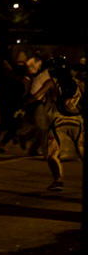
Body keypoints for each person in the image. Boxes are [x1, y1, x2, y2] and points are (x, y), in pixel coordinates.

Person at [44, 57, 84, 191]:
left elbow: (37, 96)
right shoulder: (79, 84)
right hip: (77, 121)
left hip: (59, 121)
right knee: (82, 151)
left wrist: (22, 108)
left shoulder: (52, 83)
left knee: (52, 153)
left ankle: (58, 180)